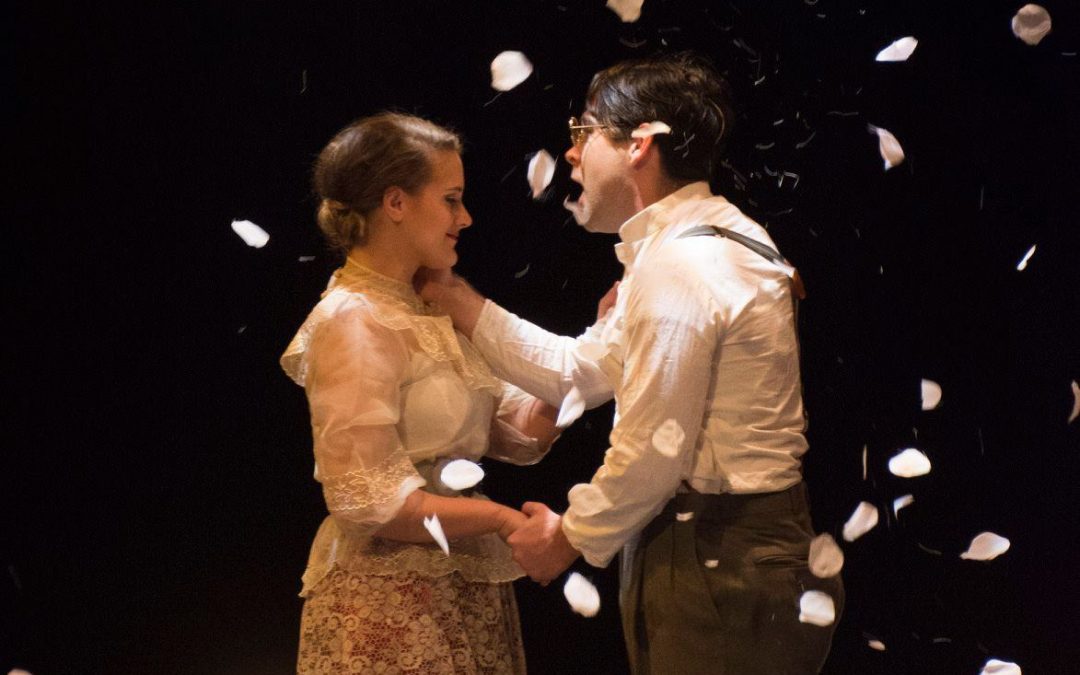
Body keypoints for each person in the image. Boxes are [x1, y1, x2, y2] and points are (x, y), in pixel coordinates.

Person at [420, 53, 843, 674]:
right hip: (717, 550)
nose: (570, 154)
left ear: (639, 143)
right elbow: (579, 373)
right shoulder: (702, 240)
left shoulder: (683, 265)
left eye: (583, 132)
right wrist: (456, 297)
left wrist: (567, 536)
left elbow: (654, 446)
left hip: (718, 558)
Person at [280, 112, 562, 674]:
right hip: (391, 597)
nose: (466, 217)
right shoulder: (353, 321)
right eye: (452, 199)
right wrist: (503, 520)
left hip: (458, 586)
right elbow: (369, 498)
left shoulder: (434, 304)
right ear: (395, 203)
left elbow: (524, 431)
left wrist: (597, 355)